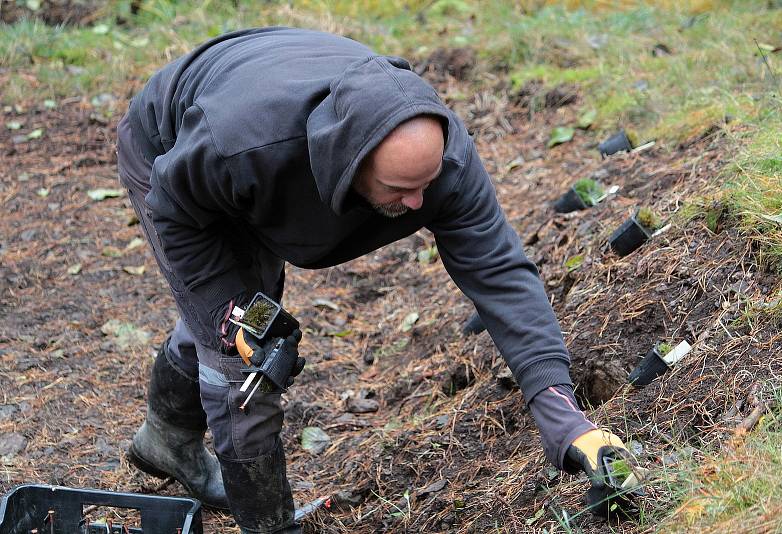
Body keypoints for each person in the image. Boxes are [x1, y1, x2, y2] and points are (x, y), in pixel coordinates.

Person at [116, 27, 634, 534]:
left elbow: (499, 273)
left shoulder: (444, 161)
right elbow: (175, 212)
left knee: (247, 310)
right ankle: (266, 522)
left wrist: (562, 416)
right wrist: (228, 319)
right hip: (171, 155)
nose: (417, 204)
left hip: (262, 145)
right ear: (348, 161)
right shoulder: (239, 146)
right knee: (246, 344)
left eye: (424, 187)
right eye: (399, 188)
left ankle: (166, 438)